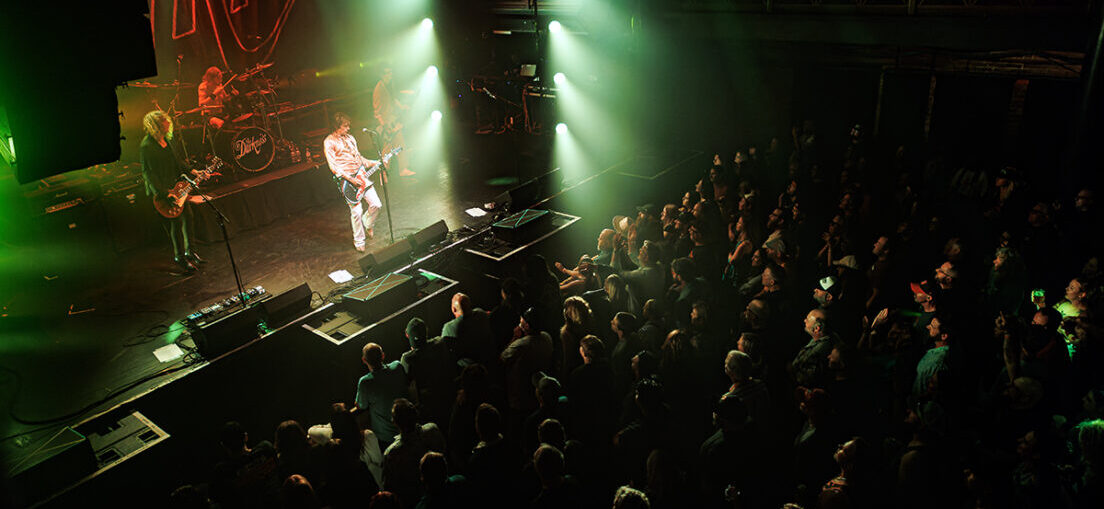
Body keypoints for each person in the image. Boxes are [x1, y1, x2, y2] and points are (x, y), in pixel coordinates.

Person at [140, 110, 202, 274]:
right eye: (164, 122)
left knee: (188, 217)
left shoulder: (168, 139)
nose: (168, 124)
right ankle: (179, 257)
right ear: (156, 125)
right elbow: (148, 173)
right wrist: (162, 193)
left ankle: (191, 252)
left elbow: (178, 161)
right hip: (164, 190)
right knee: (176, 222)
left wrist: (192, 170)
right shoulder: (147, 146)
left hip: (177, 186)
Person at [325, 112, 384, 252]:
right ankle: (359, 241)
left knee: (376, 204)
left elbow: (360, 159)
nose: (348, 128)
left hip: (361, 175)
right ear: (336, 126)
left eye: (348, 125)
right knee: (356, 211)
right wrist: (351, 179)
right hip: (347, 180)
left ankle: (368, 223)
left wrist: (375, 162)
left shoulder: (351, 138)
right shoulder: (329, 141)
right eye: (345, 126)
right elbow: (333, 166)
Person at [355, 342, 410, 447]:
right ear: (383, 355)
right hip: (409, 426)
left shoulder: (365, 382)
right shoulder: (398, 366)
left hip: (387, 437)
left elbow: (361, 405)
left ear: (364, 360)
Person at [373, 67, 414, 176]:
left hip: (392, 120)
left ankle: (401, 169)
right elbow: (377, 110)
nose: (389, 75)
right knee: (388, 148)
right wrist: (384, 125)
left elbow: (393, 99)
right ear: (381, 75)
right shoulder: (379, 89)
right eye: (387, 73)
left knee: (398, 144)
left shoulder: (389, 86)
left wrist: (402, 106)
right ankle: (386, 171)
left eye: (390, 73)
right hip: (387, 123)